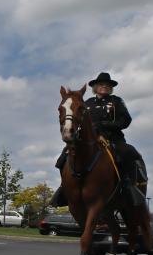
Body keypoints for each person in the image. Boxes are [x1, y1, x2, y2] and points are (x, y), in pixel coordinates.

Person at [53, 72, 146, 206]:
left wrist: (105, 125)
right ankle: (64, 187)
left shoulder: (116, 101)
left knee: (130, 152)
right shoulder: (87, 103)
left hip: (113, 139)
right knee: (63, 157)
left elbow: (126, 120)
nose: (104, 86)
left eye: (107, 85)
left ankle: (129, 186)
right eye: (101, 84)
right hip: (91, 140)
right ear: (95, 87)